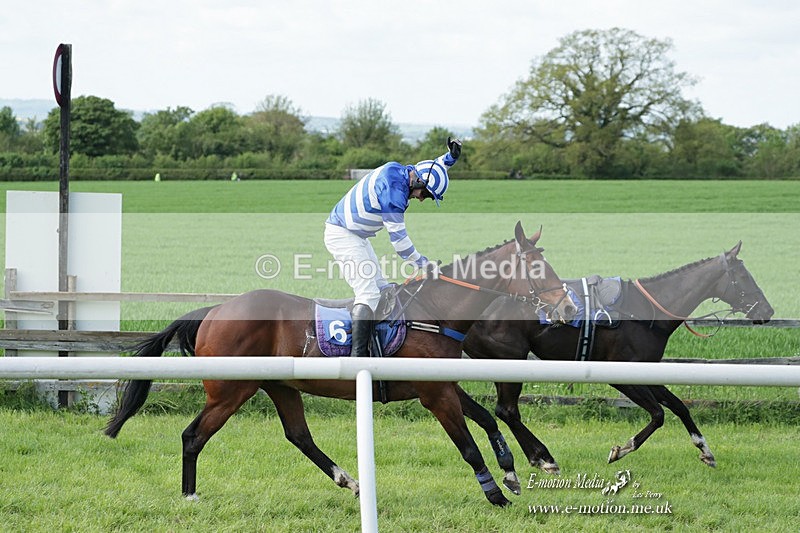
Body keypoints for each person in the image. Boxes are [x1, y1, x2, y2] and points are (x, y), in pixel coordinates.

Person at [325, 137, 462, 356]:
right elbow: (400, 244)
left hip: (356, 236)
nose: (422, 199)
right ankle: (357, 359)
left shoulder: (405, 172)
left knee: (383, 290)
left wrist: (450, 157)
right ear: (418, 183)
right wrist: (424, 264)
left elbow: (433, 167)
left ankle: (376, 346)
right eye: (426, 194)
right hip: (343, 235)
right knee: (369, 294)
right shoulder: (394, 194)